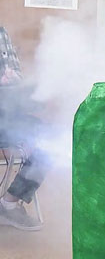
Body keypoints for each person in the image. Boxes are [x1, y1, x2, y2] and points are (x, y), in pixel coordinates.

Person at [0, 26, 46, 231]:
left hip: (7, 112)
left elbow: (16, 73)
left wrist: (12, 76)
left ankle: (9, 204)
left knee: (46, 142)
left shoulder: (2, 32)